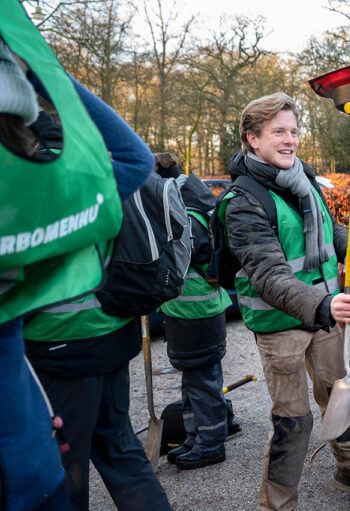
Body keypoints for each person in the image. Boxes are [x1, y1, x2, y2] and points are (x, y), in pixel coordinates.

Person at [0, 2, 155, 509]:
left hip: (64, 346)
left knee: (87, 460)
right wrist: (40, 66)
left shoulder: (26, 202)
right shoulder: (65, 191)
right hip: (106, 334)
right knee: (119, 448)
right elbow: (135, 157)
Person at [223, 92, 350, 510]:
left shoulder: (303, 179)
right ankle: (278, 503)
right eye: (278, 132)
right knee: (293, 420)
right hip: (281, 325)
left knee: (340, 399)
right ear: (252, 139)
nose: (290, 140)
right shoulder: (242, 202)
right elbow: (269, 276)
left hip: (324, 315)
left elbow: (332, 231)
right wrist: (324, 306)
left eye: (294, 131)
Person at [154, 152, 232, 470]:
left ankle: (211, 443)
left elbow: (179, 264)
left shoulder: (184, 215)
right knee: (194, 381)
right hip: (193, 313)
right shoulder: (192, 207)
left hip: (196, 315)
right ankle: (195, 437)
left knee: (203, 382)